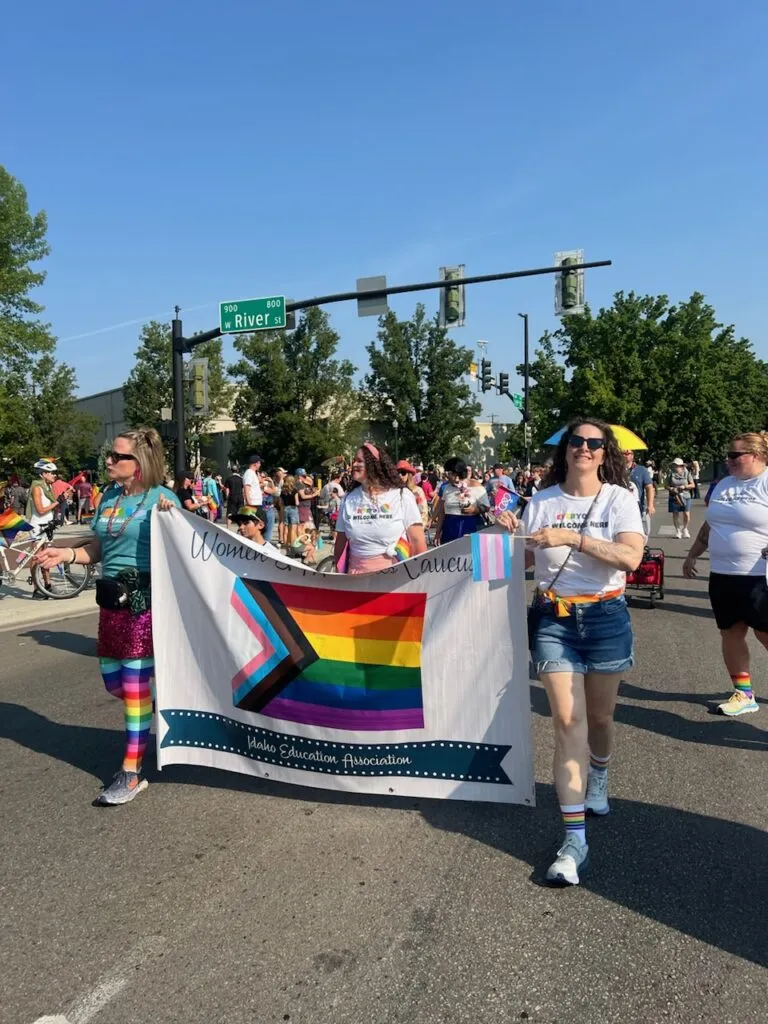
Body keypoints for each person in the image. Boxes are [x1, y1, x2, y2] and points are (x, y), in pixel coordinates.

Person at [499, 418, 644, 886]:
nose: (583, 448)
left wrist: (572, 538)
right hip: (553, 619)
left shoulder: (620, 499)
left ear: (605, 453)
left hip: (605, 618)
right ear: (565, 450)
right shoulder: (540, 503)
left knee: (600, 720)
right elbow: (525, 560)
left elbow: (630, 559)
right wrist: (511, 535)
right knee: (567, 722)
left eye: (593, 443)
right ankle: (574, 841)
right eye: (576, 441)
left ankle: (598, 775)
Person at [35, 428, 180, 805]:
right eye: (110, 455)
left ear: (140, 463)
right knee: (114, 683)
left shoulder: (162, 500)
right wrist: (65, 555)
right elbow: (99, 547)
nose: (109, 462)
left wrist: (173, 522)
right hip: (109, 603)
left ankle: (131, 772)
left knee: (132, 690)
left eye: (117, 457)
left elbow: (185, 553)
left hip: (142, 604)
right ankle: (148, 707)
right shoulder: (110, 496)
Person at [683, 432, 768, 717]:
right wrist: (693, 553)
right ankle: (744, 694)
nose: (727, 460)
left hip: (760, 575)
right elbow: (711, 525)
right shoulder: (722, 485)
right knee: (731, 631)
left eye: (734, 455)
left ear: (755, 456)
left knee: (765, 633)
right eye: (728, 455)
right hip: (723, 574)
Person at [333, 443, 427, 574]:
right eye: (354, 460)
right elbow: (340, 542)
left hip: (394, 576)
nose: (353, 464)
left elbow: (418, 542)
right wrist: (339, 574)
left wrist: (418, 578)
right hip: (356, 577)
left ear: (374, 465)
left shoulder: (402, 496)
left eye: (359, 461)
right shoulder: (348, 498)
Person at [433, 457, 490, 545]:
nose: (447, 476)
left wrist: (475, 510)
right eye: (447, 473)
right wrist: (437, 532)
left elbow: (487, 507)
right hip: (450, 527)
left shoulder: (475, 485)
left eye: (450, 473)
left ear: (458, 472)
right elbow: (442, 512)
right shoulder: (446, 488)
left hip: (470, 526)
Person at [623, 449, 655, 536]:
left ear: (632, 456)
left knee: (643, 534)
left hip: (639, 507)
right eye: (622, 453)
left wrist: (650, 505)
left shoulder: (641, 470)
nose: (624, 455)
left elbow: (649, 487)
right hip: (622, 508)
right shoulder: (616, 470)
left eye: (627, 453)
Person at [26, 460, 60, 537]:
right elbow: (41, 511)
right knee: (38, 549)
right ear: (44, 474)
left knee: (46, 549)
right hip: (38, 524)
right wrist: (57, 502)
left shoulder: (48, 487)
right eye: (52, 473)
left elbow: (52, 507)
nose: (55, 475)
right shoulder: (37, 488)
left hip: (48, 523)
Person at [396, 460, 429, 527]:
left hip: (414, 528)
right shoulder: (392, 491)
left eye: (403, 473)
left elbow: (423, 512)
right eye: (397, 473)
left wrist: (420, 529)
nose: (400, 476)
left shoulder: (417, 491)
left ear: (409, 475)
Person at [667, 458, 694, 538]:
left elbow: (692, 485)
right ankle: (678, 531)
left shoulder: (686, 473)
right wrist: (671, 488)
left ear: (681, 466)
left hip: (685, 496)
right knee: (675, 513)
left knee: (686, 513)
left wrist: (684, 486)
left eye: (677, 465)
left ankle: (685, 529)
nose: (675, 467)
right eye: (674, 465)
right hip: (674, 496)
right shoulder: (671, 474)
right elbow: (666, 485)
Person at [281, 473, 300, 548]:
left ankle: (286, 544)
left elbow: (281, 502)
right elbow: (297, 502)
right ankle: (292, 544)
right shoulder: (294, 490)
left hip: (285, 509)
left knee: (286, 527)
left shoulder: (283, 491)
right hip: (293, 509)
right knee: (293, 528)